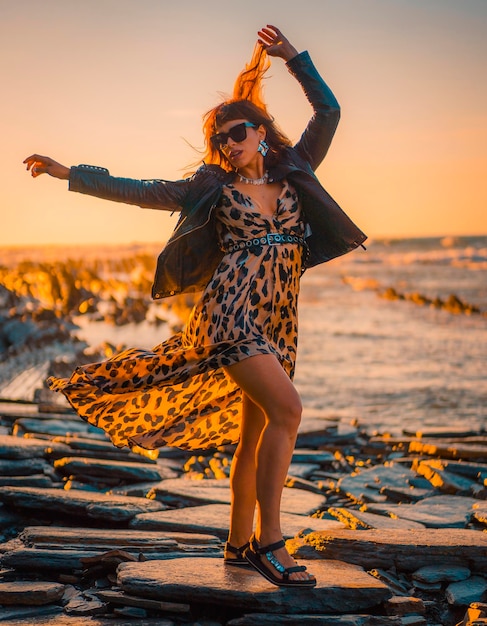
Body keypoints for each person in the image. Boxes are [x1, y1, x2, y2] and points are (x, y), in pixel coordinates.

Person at [24, 25, 366, 588]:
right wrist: (71, 174)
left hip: (279, 320)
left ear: (261, 132)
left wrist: (293, 59)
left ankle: (236, 546)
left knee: (254, 434)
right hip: (230, 316)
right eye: (221, 139)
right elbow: (140, 188)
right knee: (289, 412)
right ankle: (270, 543)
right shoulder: (211, 186)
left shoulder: (296, 170)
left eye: (237, 133)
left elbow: (328, 111)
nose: (229, 144)